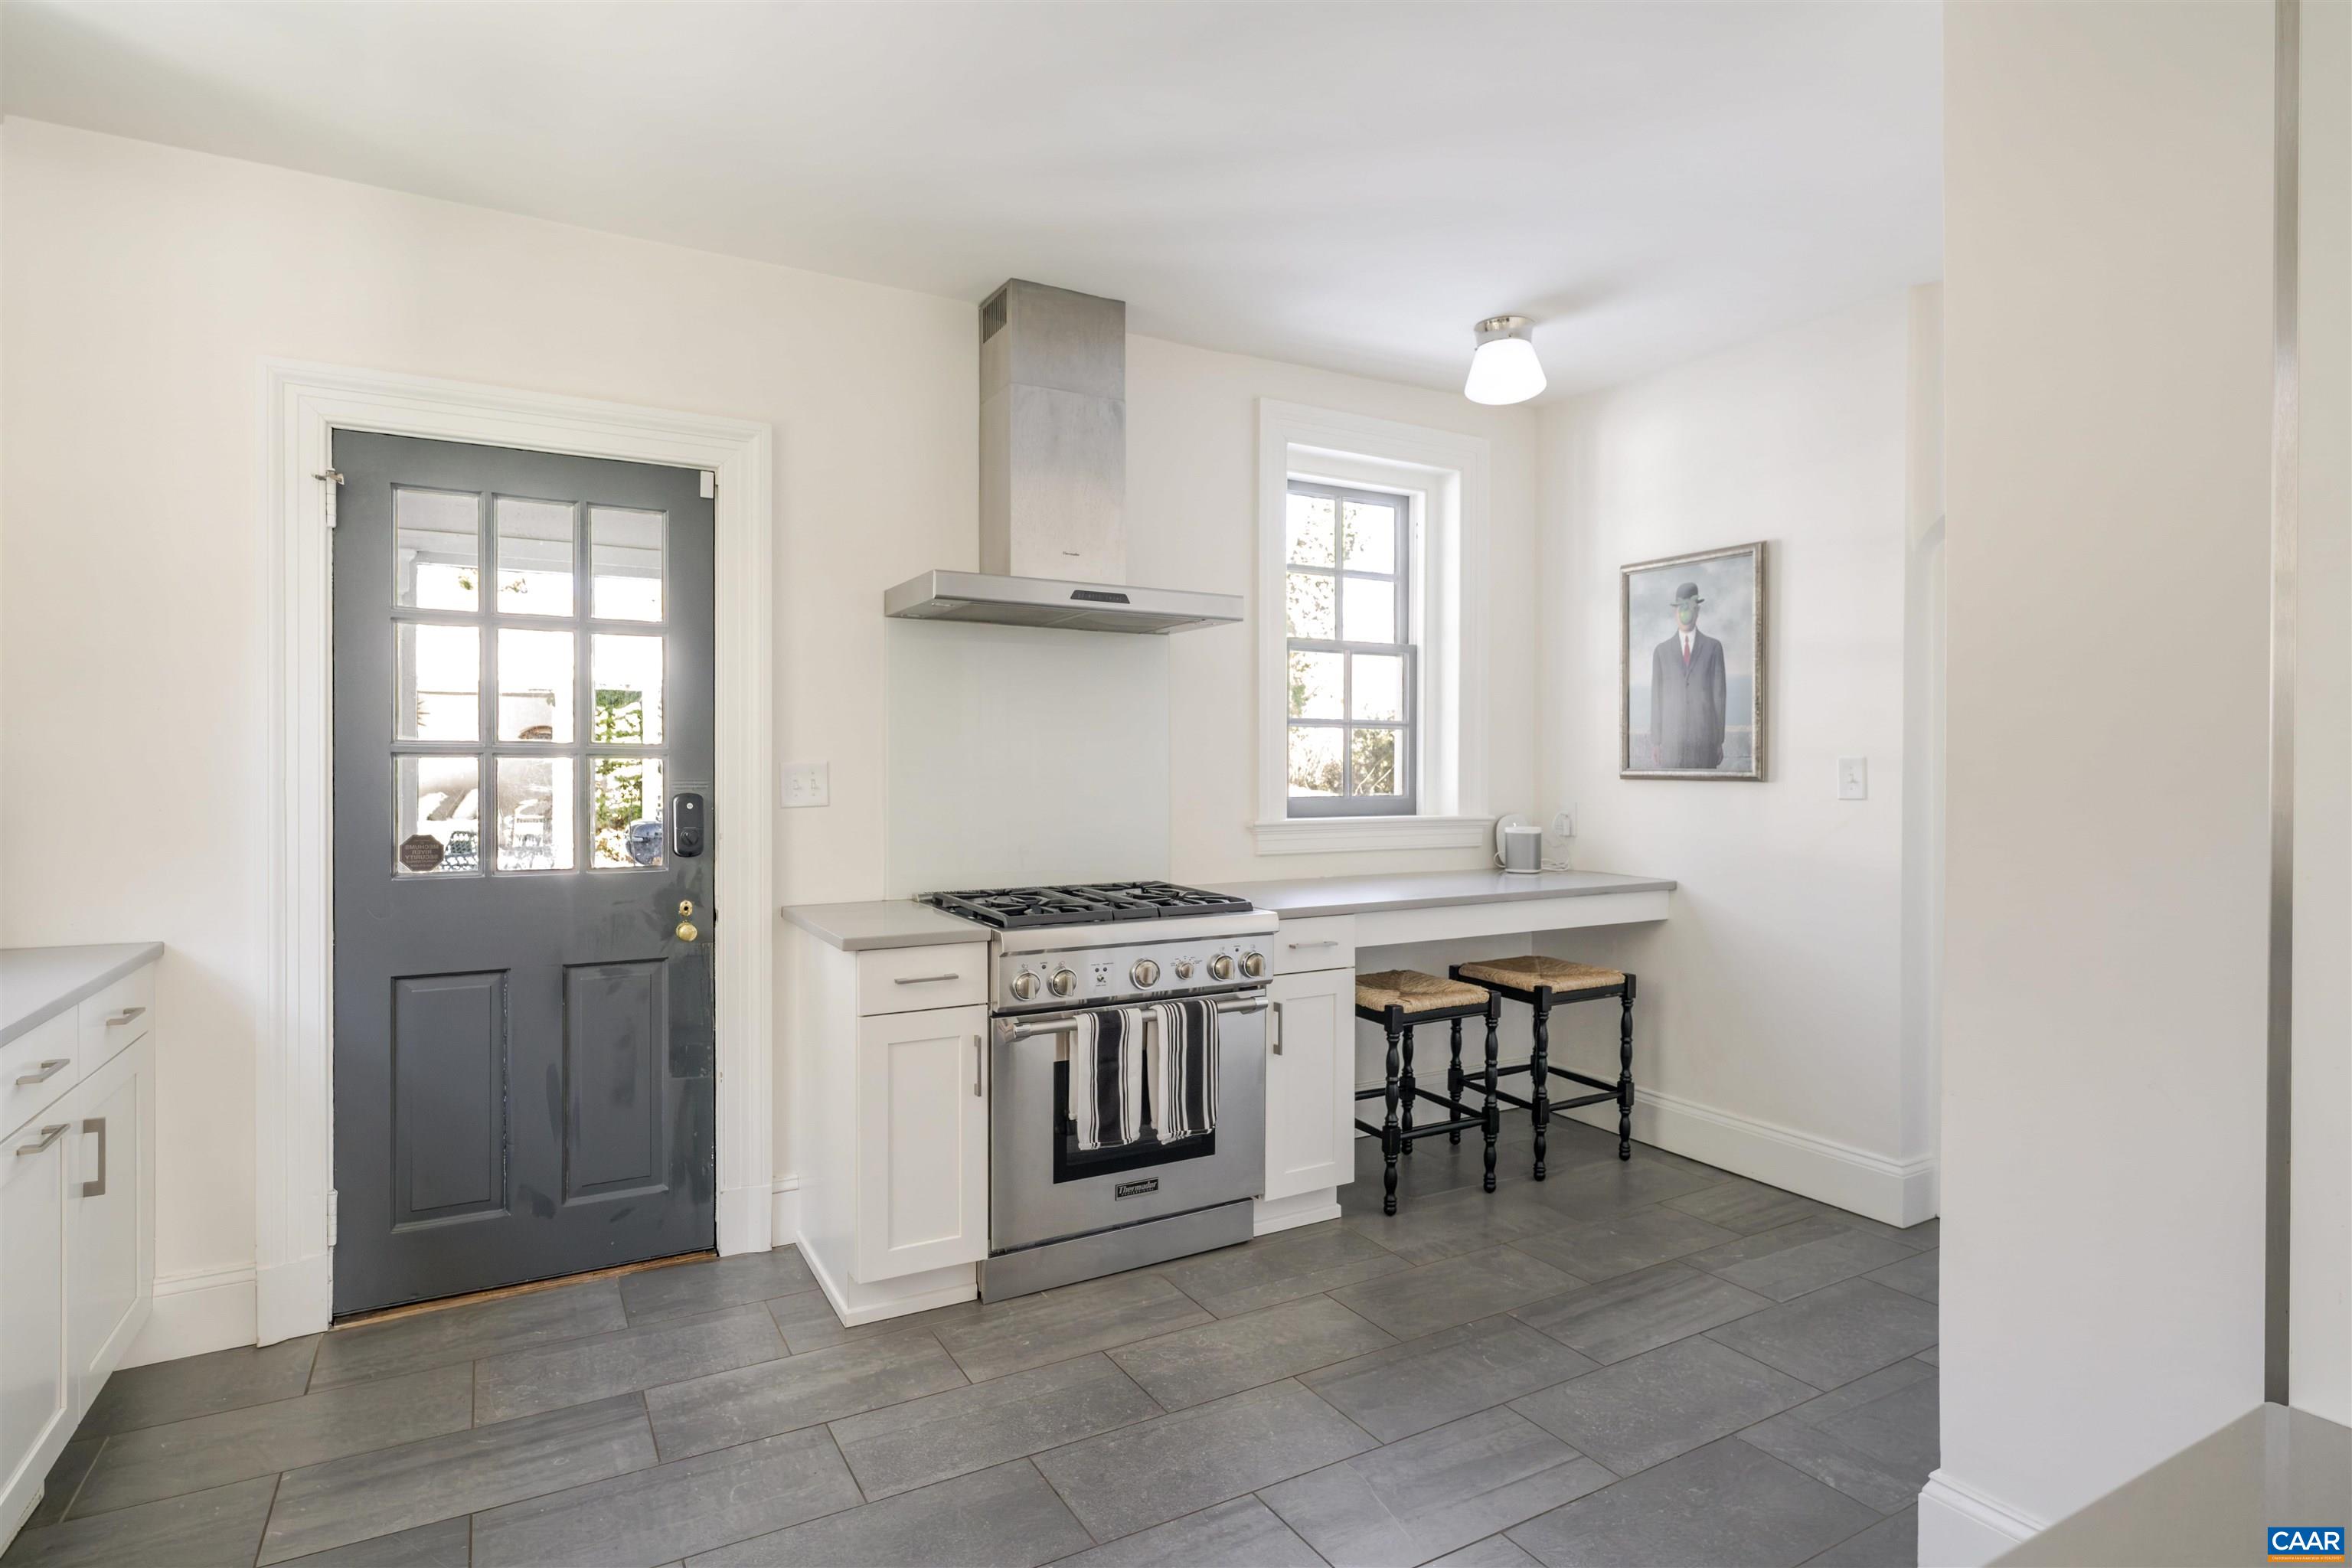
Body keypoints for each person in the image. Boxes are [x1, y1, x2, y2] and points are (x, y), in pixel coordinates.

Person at [1649, 580, 1726, 769]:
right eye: (1681, 609)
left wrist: (1718, 741)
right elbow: (1656, 699)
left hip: (1704, 745)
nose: (1686, 614)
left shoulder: (1714, 648)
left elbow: (1719, 698)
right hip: (1671, 747)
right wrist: (1656, 742)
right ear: (1675, 612)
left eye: (1691, 608)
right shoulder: (1661, 652)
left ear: (1698, 612)